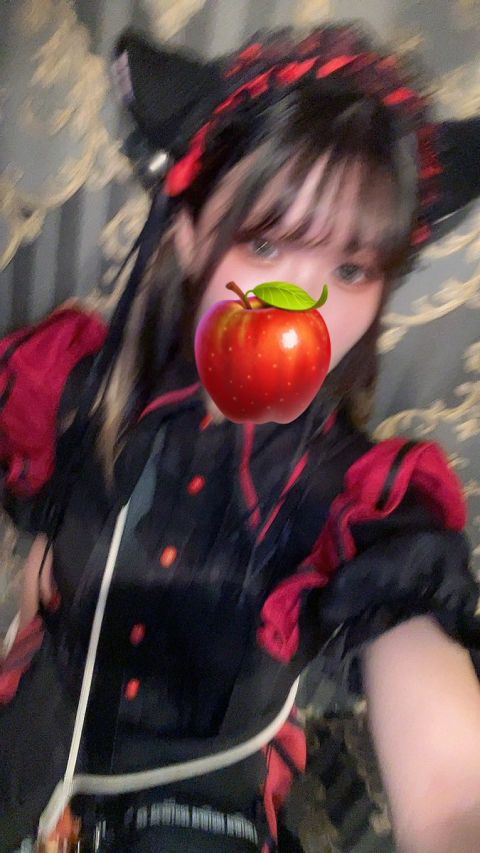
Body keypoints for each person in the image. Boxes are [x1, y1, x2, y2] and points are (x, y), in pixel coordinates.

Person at [1, 21, 480, 853]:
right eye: (265, 243)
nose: (305, 303)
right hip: (29, 743)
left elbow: (449, 792)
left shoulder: (365, 499)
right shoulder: (72, 384)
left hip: (203, 803)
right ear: (189, 238)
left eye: (350, 269)